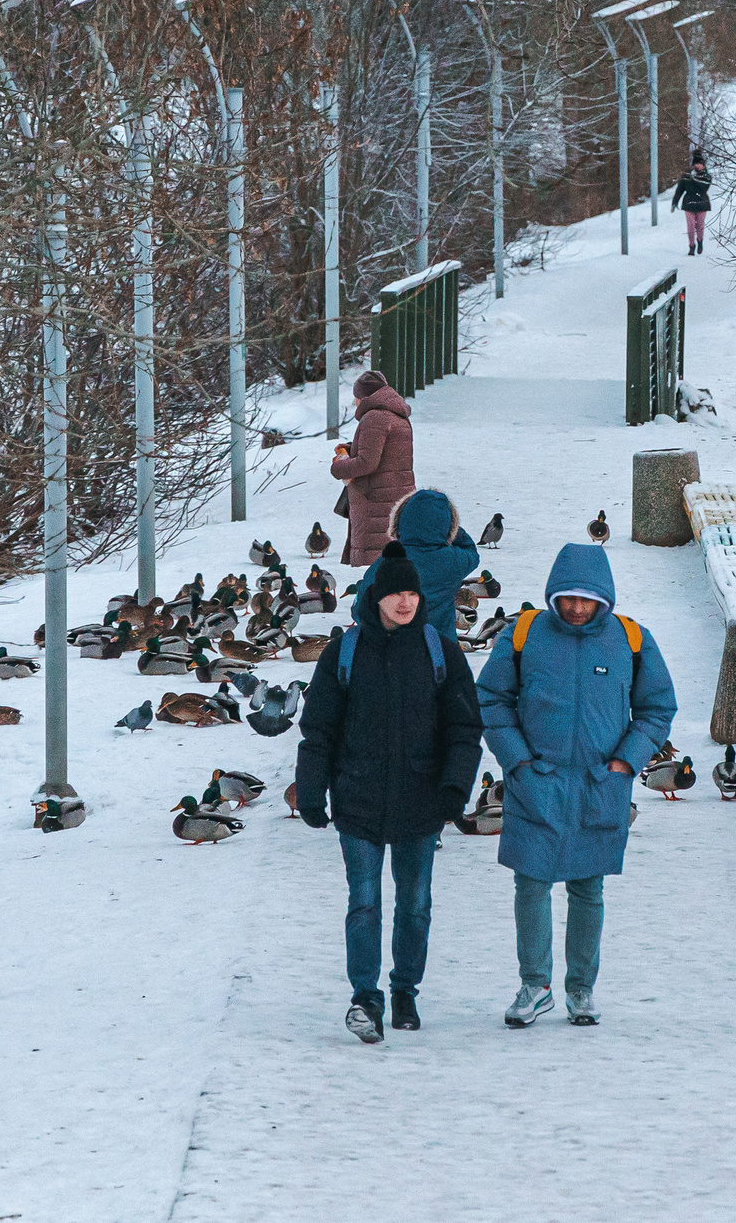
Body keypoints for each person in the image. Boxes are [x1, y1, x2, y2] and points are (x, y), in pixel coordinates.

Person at [474, 543, 675, 1029]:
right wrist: (517, 761)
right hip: (535, 782)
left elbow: (657, 709)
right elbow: (491, 699)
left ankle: (581, 989)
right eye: (568, 599)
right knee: (532, 884)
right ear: (554, 596)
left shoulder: (631, 639)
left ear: (603, 598)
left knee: (588, 888)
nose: (578, 608)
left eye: (587, 600)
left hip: (599, 784)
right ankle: (535, 985)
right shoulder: (524, 634)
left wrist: (626, 764)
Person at [296, 542, 484, 1043]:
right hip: (358, 798)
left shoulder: (439, 650)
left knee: (415, 902)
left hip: (421, 800)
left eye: (412, 593)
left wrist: (454, 788)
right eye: (395, 593)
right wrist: (312, 790)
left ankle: (405, 989)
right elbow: (319, 730)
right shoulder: (346, 651)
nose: (406, 602)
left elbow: (465, 727)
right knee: (364, 903)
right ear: (376, 596)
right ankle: (366, 998)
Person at [353, 487, 479, 640]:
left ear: (399, 522)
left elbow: (361, 609)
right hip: (440, 649)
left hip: (393, 650)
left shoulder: (387, 562)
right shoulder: (453, 560)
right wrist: (450, 530)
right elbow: (471, 553)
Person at [331, 368, 414, 564]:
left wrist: (338, 467)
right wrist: (353, 449)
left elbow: (367, 462)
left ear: (364, 396)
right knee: (392, 562)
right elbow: (388, 455)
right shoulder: (396, 414)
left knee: (378, 565)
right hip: (394, 497)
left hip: (377, 501)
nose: (355, 403)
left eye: (356, 397)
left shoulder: (375, 417)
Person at [669, 154, 712, 256]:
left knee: (700, 225)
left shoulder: (706, 177)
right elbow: (679, 190)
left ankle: (700, 241)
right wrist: (675, 202)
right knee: (691, 226)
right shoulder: (686, 176)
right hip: (689, 203)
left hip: (702, 203)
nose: (698, 166)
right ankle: (691, 246)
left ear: (704, 166)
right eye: (696, 164)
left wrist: (696, 178)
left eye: (700, 164)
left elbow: (703, 188)